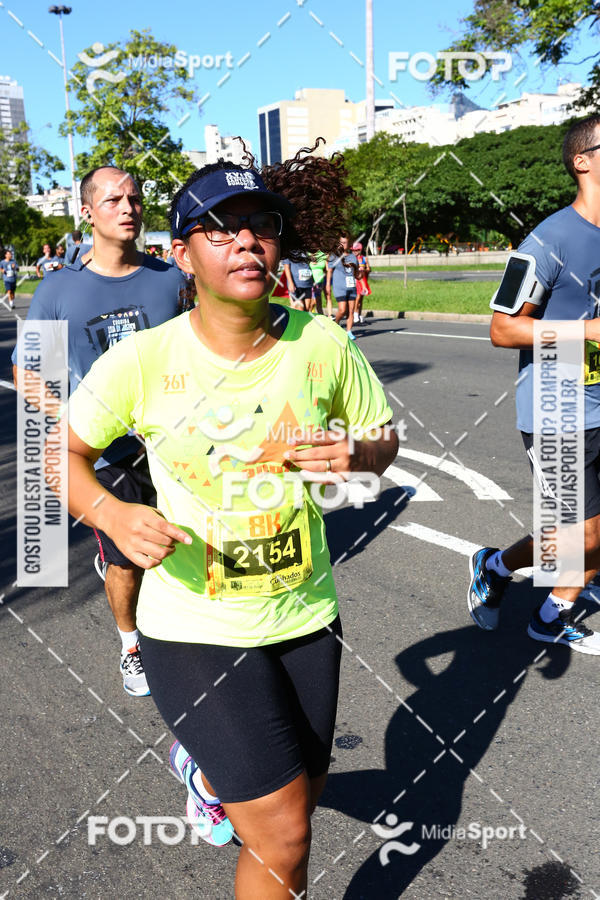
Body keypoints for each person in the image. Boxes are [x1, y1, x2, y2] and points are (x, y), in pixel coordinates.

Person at [65, 151, 399, 893]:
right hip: (193, 630)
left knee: (294, 823)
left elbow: (383, 440)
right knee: (284, 834)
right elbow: (60, 454)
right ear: (181, 254)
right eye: (221, 230)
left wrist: (357, 454)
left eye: (262, 227)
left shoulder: (323, 344)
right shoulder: (144, 361)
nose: (247, 242)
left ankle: (213, 772)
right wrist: (114, 512)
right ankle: (215, 761)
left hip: (307, 615)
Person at [13, 165, 187, 695]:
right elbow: (29, 370)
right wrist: (69, 424)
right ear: (87, 212)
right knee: (128, 561)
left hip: (172, 444)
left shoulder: (170, 279)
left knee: (182, 544)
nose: (129, 207)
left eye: (134, 198)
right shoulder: (62, 288)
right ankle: (131, 643)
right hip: (106, 457)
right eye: (113, 200)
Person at [468, 114, 600, 654]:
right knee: (579, 537)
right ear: (582, 160)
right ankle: (510, 578)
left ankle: (540, 602)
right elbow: (503, 328)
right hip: (560, 407)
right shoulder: (550, 238)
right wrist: (587, 331)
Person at [326, 234, 358, 340]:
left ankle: (349, 331)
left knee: (351, 311)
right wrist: (327, 286)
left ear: (349, 244)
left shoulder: (353, 257)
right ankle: (336, 324)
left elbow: (356, 273)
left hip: (352, 287)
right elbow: (329, 271)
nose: (343, 245)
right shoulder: (334, 256)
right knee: (342, 310)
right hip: (339, 287)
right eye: (342, 243)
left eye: (345, 243)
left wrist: (360, 276)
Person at [352, 241, 371, 324]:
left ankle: (359, 314)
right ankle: (355, 314)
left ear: (360, 250)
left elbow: (369, 269)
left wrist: (364, 270)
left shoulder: (364, 258)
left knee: (361, 298)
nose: (354, 252)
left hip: (364, 280)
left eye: (356, 250)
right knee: (358, 297)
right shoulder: (352, 259)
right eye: (353, 250)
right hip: (356, 280)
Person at [309, 250, 328, 316]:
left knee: (319, 301)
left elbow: (327, 270)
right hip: (311, 282)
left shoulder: (322, 255)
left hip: (320, 282)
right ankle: (308, 315)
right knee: (313, 302)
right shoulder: (308, 254)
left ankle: (321, 317)